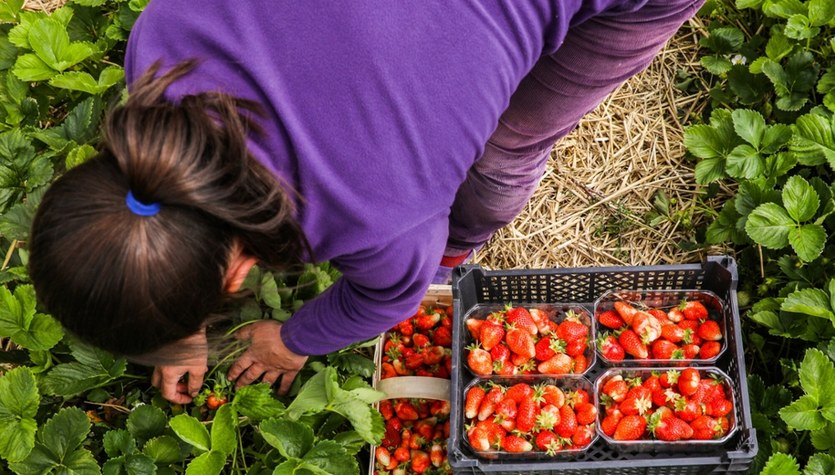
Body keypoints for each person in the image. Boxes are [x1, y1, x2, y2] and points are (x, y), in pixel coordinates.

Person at [28, 0, 703, 403]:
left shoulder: (379, 216)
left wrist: (292, 342)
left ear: (238, 274)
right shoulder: (158, 40)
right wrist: (176, 336)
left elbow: (386, 298)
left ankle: (459, 244)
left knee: (507, 149)